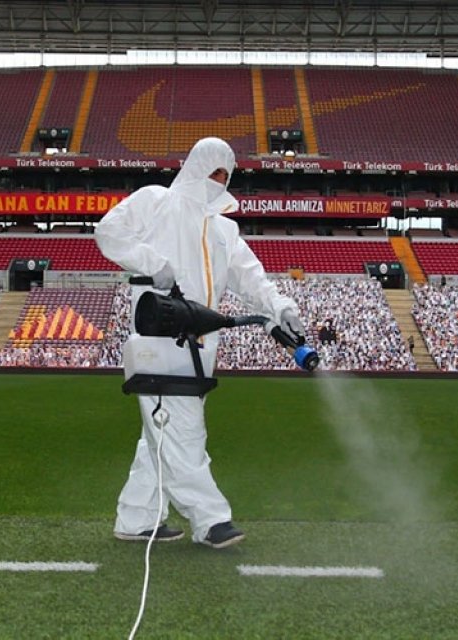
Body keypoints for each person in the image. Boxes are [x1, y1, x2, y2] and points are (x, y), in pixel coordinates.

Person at [95, 137, 305, 549]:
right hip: (160, 335)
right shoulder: (156, 201)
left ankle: (137, 517)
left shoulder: (225, 229)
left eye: (226, 174)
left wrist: (280, 307)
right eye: (213, 171)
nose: (219, 180)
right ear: (193, 167)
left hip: (201, 343)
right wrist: (152, 264)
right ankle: (210, 519)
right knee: (183, 430)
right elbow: (108, 232)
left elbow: (250, 277)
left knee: (162, 429)